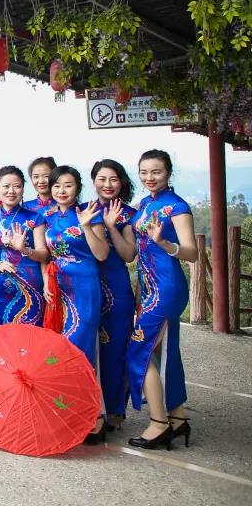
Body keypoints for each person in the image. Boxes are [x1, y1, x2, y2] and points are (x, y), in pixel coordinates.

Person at [127, 150, 197, 450]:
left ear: (168, 172)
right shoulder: (145, 204)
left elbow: (192, 252)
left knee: (138, 348)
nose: (149, 178)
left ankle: (159, 424)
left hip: (167, 286)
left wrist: (163, 242)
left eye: (156, 172)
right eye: (144, 172)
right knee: (164, 352)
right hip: (149, 286)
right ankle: (177, 417)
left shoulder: (177, 207)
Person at [42, 165, 109, 443]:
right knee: (62, 349)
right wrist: (47, 280)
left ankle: (95, 417)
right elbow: (48, 256)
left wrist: (85, 226)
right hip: (60, 290)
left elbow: (102, 254)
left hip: (84, 288)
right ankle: (74, 413)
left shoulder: (90, 213)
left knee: (78, 351)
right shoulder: (48, 218)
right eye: (57, 186)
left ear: (77, 188)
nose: (62, 191)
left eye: (68, 186)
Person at [91, 158, 138, 432]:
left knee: (116, 350)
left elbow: (129, 255)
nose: (107, 185)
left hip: (117, 289)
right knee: (91, 349)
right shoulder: (83, 210)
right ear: (94, 181)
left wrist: (110, 227)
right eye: (102, 179)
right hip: (87, 288)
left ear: (121, 182)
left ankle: (116, 411)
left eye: (113, 179)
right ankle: (92, 408)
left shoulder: (129, 215)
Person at [0, 166, 47, 326]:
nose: (11, 191)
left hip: (30, 286)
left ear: (22, 189)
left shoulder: (35, 217)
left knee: (30, 339)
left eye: (17, 186)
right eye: (6, 186)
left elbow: (44, 254)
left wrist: (24, 249)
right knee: (0, 339)